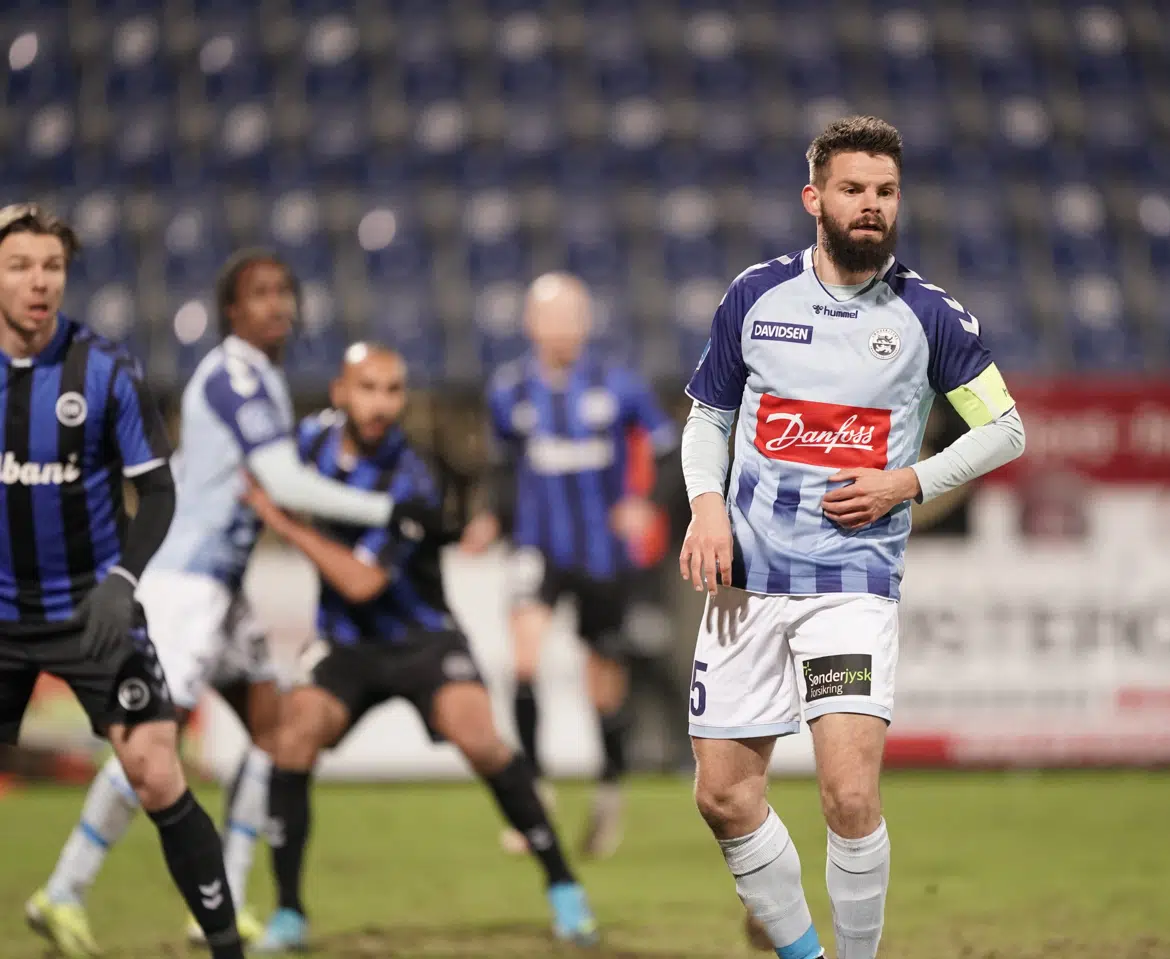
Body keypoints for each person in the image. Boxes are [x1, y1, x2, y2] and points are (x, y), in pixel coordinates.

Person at [27, 249, 445, 954]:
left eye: (284, 291)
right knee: (151, 749)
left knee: (276, 735)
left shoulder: (260, 381)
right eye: (259, 294)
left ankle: (218, 902)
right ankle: (63, 889)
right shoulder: (233, 377)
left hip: (222, 589)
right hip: (186, 587)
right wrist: (387, 508)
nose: (277, 304)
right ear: (232, 310)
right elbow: (284, 480)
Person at [678, 117, 1027, 959]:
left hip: (850, 588)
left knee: (848, 795)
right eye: (853, 190)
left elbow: (1005, 429)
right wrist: (706, 504)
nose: (870, 206)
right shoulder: (756, 295)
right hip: (746, 585)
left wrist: (907, 480)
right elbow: (709, 418)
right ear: (815, 199)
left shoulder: (928, 314)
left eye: (885, 192)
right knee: (723, 796)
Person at [248, 342, 599, 952]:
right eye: (368, 388)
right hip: (346, 645)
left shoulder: (414, 478)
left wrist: (280, 522)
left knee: (480, 738)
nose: (381, 403)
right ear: (340, 392)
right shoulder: (307, 444)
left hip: (422, 638)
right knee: (293, 736)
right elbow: (253, 470)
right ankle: (288, 912)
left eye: (393, 390)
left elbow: (361, 582)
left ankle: (565, 888)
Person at [0, 203, 249, 959]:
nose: (39, 283)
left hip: (92, 610)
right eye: (20, 266)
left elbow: (160, 491)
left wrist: (121, 578)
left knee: (155, 768)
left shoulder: (105, 369)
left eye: (53, 267)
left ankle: (227, 948)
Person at [467, 272, 678, 858]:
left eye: (571, 317)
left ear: (586, 324)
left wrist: (643, 503)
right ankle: (532, 790)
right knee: (526, 655)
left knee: (602, 685)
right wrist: (491, 517)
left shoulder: (618, 386)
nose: (561, 329)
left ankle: (609, 788)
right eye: (550, 318)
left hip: (602, 556)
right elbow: (504, 470)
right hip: (537, 548)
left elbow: (666, 451)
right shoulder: (509, 391)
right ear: (532, 325)